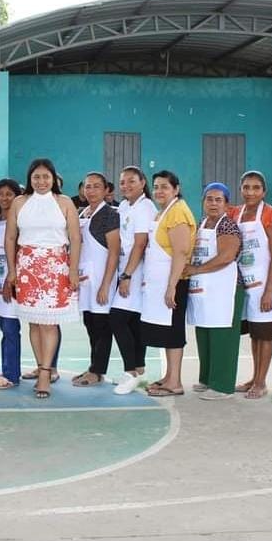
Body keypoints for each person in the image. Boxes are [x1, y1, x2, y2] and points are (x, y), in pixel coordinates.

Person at [4, 158, 81, 399]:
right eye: (36, 177)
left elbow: (75, 238)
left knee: (49, 323)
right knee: (34, 322)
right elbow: (10, 238)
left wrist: (73, 269)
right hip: (27, 267)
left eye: (46, 176)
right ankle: (40, 365)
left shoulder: (64, 202)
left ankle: (46, 372)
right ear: (30, 179)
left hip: (55, 267)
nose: (41, 181)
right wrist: (12, 270)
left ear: (53, 178)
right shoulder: (19, 202)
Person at [141, 171, 197, 397]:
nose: (159, 191)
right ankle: (169, 376)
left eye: (164, 186)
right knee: (166, 331)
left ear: (176, 189)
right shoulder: (164, 212)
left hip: (174, 283)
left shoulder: (178, 213)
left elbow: (181, 252)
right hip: (160, 283)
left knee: (173, 332)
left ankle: (175, 382)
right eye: (156, 187)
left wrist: (172, 286)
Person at [185, 183, 243, 399]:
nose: (213, 203)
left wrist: (196, 269)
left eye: (219, 200)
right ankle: (208, 378)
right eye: (209, 199)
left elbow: (226, 256)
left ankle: (222, 385)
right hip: (204, 288)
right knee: (205, 332)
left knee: (222, 335)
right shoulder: (201, 223)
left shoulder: (227, 225)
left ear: (226, 204)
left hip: (224, 289)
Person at [231, 171, 272, 400]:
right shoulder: (236, 213)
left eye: (255, 188)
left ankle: (261, 382)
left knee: (266, 334)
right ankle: (254, 377)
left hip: (264, 284)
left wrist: (269, 290)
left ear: (264, 191)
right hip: (245, 284)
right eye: (246, 187)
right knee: (255, 334)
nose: (250, 192)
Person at [110, 166, 156, 394]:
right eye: (122, 182)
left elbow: (140, 244)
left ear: (142, 182)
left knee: (117, 318)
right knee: (133, 322)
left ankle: (130, 373)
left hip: (136, 270)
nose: (126, 186)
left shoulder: (145, 207)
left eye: (131, 181)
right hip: (125, 267)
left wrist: (127, 275)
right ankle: (139, 370)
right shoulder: (125, 206)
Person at [73, 172, 120, 388]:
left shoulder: (109, 215)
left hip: (102, 279)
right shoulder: (82, 213)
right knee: (90, 323)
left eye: (96, 186)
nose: (91, 190)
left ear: (105, 190)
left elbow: (114, 252)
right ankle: (93, 367)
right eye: (88, 186)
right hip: (86, 280)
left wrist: (105, 285)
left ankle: (98, 370)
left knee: (102, 326)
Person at [0, 178, 23, 390]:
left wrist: (11, 280)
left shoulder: (18, 221)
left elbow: (18, 253)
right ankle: (8, 369)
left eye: (9, 194)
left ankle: (12, 375)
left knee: (11, 328)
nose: (4, 198)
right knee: (5, 327)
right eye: (0, 194)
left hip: (12, 281)